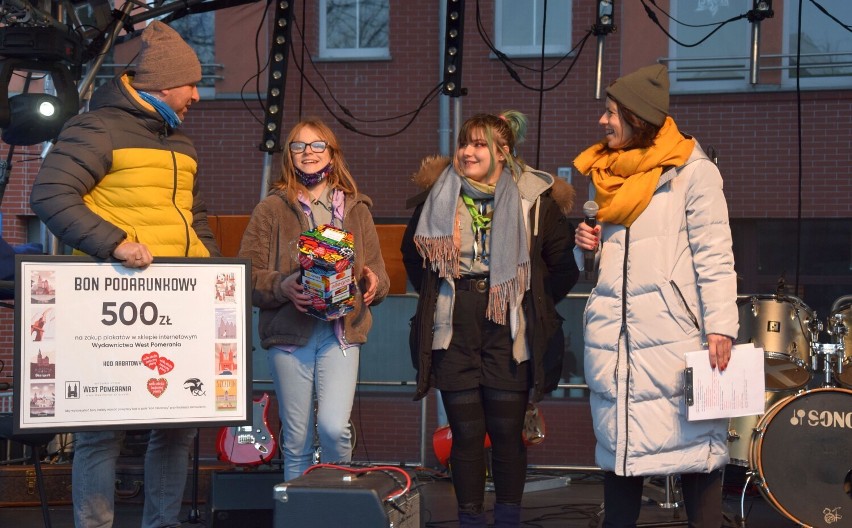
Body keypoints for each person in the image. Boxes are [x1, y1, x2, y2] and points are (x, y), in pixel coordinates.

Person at [29, 21, 219, 528]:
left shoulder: (182, 144)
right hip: (111, 306)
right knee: (101, 429)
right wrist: (114, 243)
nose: (197, 96)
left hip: (177, 305)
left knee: (177, 428)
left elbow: (195, 220)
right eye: (191, 85)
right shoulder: (97, 128)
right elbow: (49, 197)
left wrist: (214, 274)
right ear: (163, 83)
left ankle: (163, 524)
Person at [573, 64, 738, 527]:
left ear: (638, 118)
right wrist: (586, 248)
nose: (603, 121)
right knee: (622, 455)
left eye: (611, 113)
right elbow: (608, 265)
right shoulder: (604, 174)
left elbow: (715, 254)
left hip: (676, 339)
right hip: (617, 340)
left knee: (698, 458)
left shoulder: (692, 171)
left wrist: (721, 325)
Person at [402, 111, 578, 527]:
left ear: (503, 152)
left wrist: (530, 301)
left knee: (506, 436)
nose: (467, 152)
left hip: (508, 328)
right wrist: (442, 294)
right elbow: (414, 257)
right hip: (455, 325)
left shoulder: (534, 200)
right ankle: (469, 520)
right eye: (464, 143)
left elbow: (563, 269)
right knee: (465, 437)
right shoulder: (438, 196)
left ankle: (507, 519)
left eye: (479, 144)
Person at [238, 118, 389, 482]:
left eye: (317, 145)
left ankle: (338, 509)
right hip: (290, 336)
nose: (308, 152)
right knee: (298, 441)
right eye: (299, 146)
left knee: (335, 429)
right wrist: (282, 286)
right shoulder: (270, 210)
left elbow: (380, 275)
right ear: (289, 156)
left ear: (332, 154)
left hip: (340, 335)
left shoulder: (357, 210)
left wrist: (374, 283)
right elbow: (245, 277)